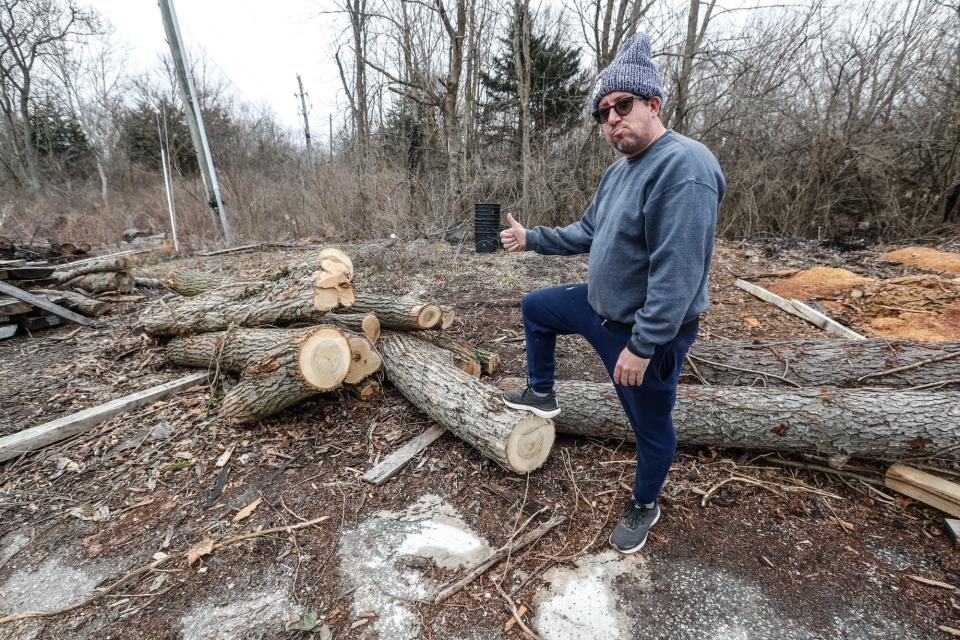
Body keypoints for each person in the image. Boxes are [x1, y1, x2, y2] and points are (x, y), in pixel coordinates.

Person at [499, 32, 724, 554]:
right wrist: (532, 238)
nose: (612, 119)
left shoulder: (683, 168)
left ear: (653, 103)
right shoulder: (619, 172)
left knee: (650, 426)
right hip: (598, 310)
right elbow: (587, 232)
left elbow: (678, 273)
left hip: (643, 333)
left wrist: (643, 347)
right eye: (602, 113)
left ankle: (646, 501)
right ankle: (542, 391)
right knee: (537, 307)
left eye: (622, 106)